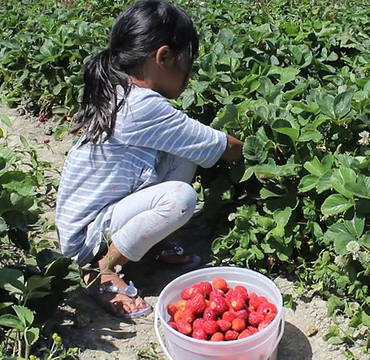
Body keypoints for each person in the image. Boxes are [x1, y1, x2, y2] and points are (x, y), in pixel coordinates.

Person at [55, 0, 243, 319]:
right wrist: (269, 154)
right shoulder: (143, 107)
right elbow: (225, 147)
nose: (190, 74)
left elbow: (195, 144)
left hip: (97, 217)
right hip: (87, 237)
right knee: (180, 198)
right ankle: (103, 270)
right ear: (164, 57)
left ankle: (146, 246)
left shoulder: (121, 91)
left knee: (184, 151)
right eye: (189, 62)